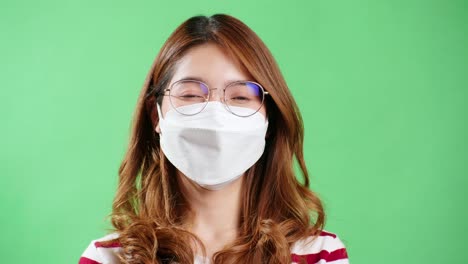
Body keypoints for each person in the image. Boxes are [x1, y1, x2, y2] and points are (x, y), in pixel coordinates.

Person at [79, 14, 349, 264]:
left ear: (268, 121)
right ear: (156, 115)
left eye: (240, 97)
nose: (216, 116)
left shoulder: (319, 254)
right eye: (191, 95)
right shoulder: (109, 258)